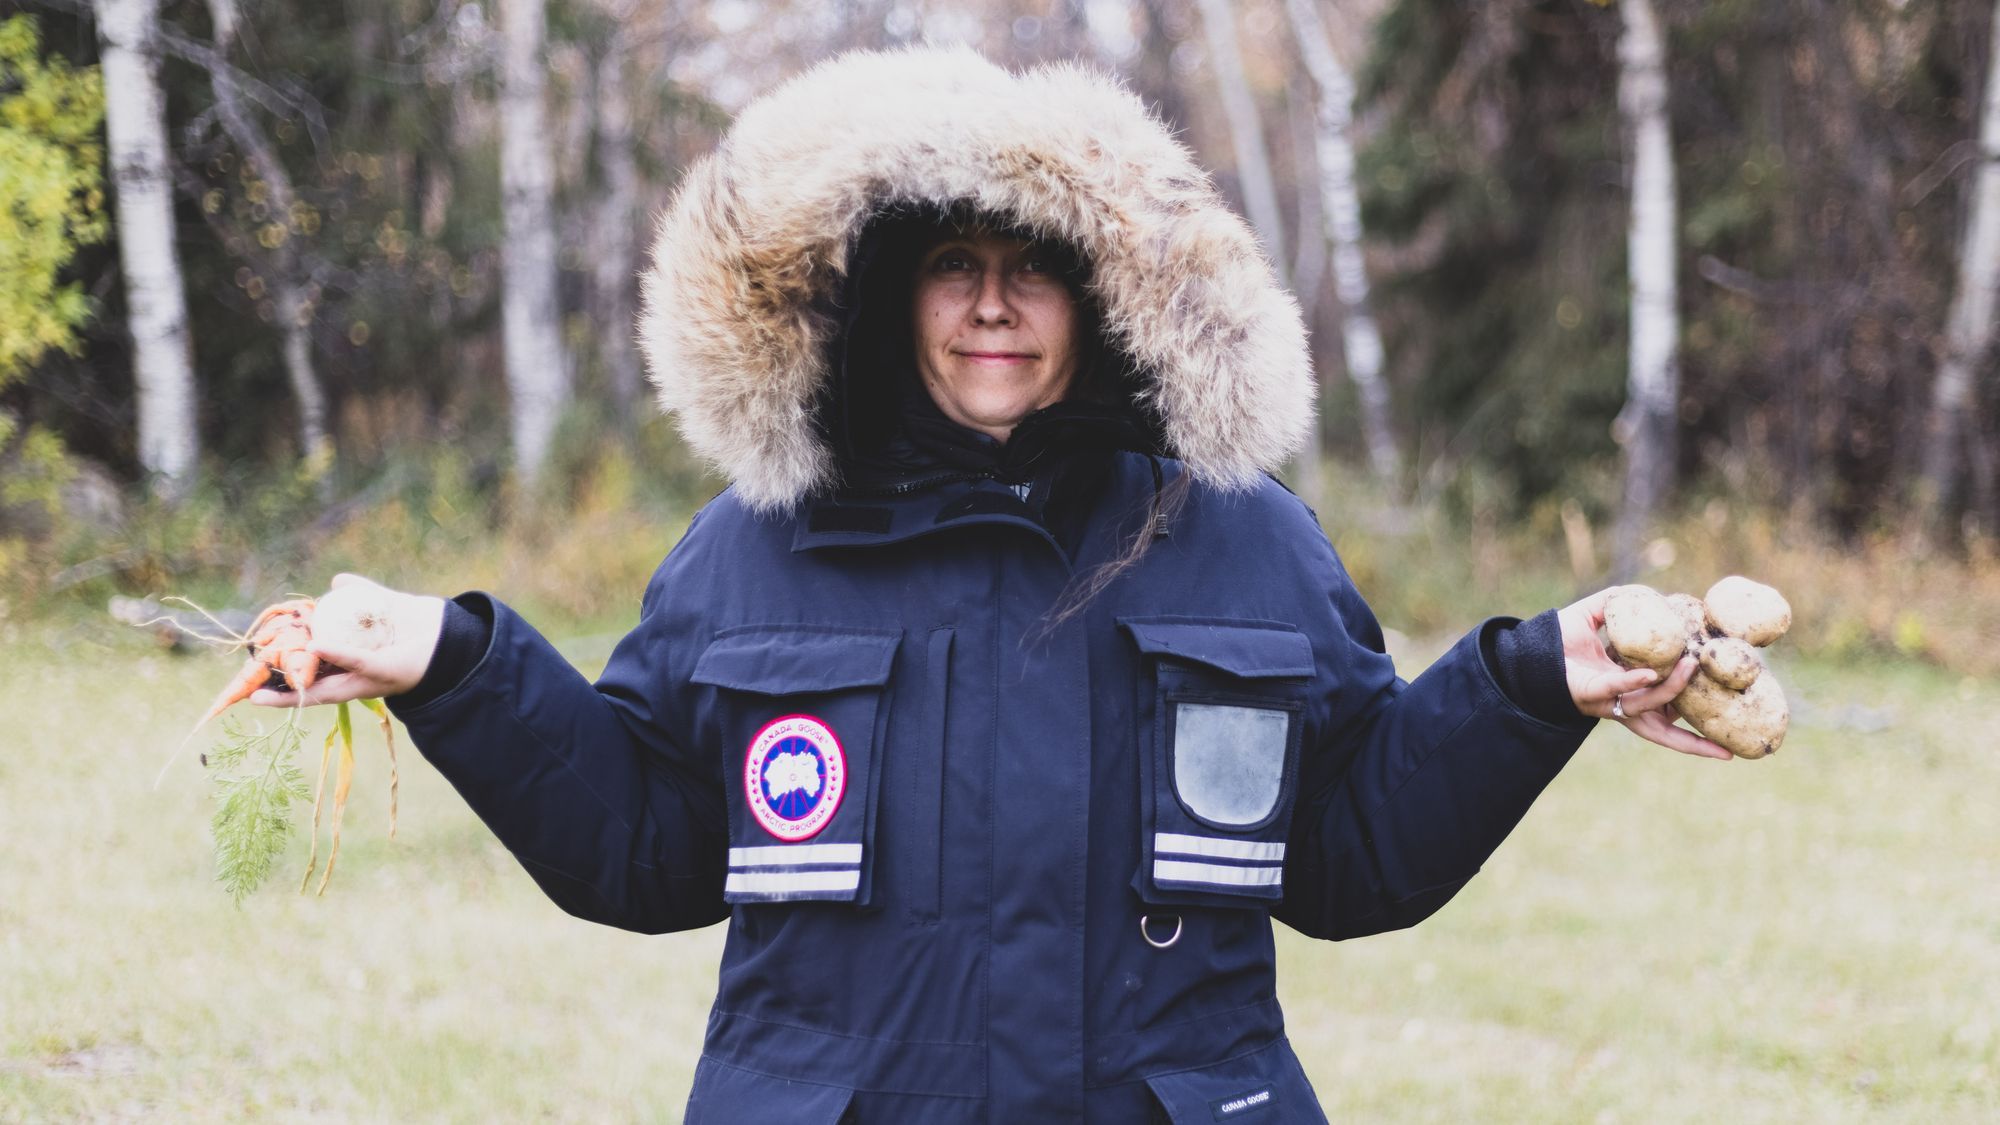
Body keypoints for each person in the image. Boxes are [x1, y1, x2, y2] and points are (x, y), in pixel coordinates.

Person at [257, 47, 1727, 1123]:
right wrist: (446, 658)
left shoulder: (1242, 536)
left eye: (1034, 265)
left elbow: (1349, 855)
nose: (991, 304)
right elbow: (641, 848)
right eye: (951, 262)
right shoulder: (754, 548)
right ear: (888, 292)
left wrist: (1537, 679)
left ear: (1102, 293)